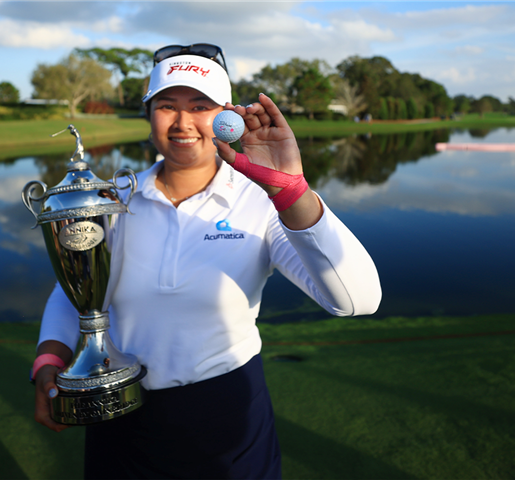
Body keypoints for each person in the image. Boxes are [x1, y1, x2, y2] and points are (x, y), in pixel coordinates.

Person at [32, 43, 382, 479]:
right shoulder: (111, 197)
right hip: (120, 406)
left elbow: (357, 300)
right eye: (167, 105)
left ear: (225, 116)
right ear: (149, 114)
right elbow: (76, 288)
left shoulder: (263, 199)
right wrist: (49, 359)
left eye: (200, 106)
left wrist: (291, 191)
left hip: (228, 412)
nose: (183, 122)